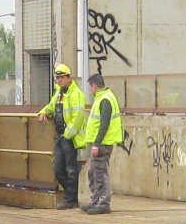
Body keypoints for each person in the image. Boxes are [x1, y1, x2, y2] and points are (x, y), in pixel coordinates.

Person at [37, 63, 87, 210]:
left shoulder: (75, 93)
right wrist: (43, 112)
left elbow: (78, 116)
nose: (59, 80)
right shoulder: (59, 93)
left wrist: (68, 134)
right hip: (61, 136)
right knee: (58, 169)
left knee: (71, 169)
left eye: (62, 77)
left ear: (68, 78)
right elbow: (51, 106)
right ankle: (70, 196)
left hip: (69, 137)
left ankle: (71, 199)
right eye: (57, 77)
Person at [81, 73, 122, 215]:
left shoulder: (105, 100)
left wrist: (96, 144)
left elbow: (104, 124)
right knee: (94, 173)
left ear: (94, 86)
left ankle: (103, 203)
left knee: (100, 173)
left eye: (91, 87)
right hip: (101, 143)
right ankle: (95, 201)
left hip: (102, 144)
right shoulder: (103, 98)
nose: (90, 90)